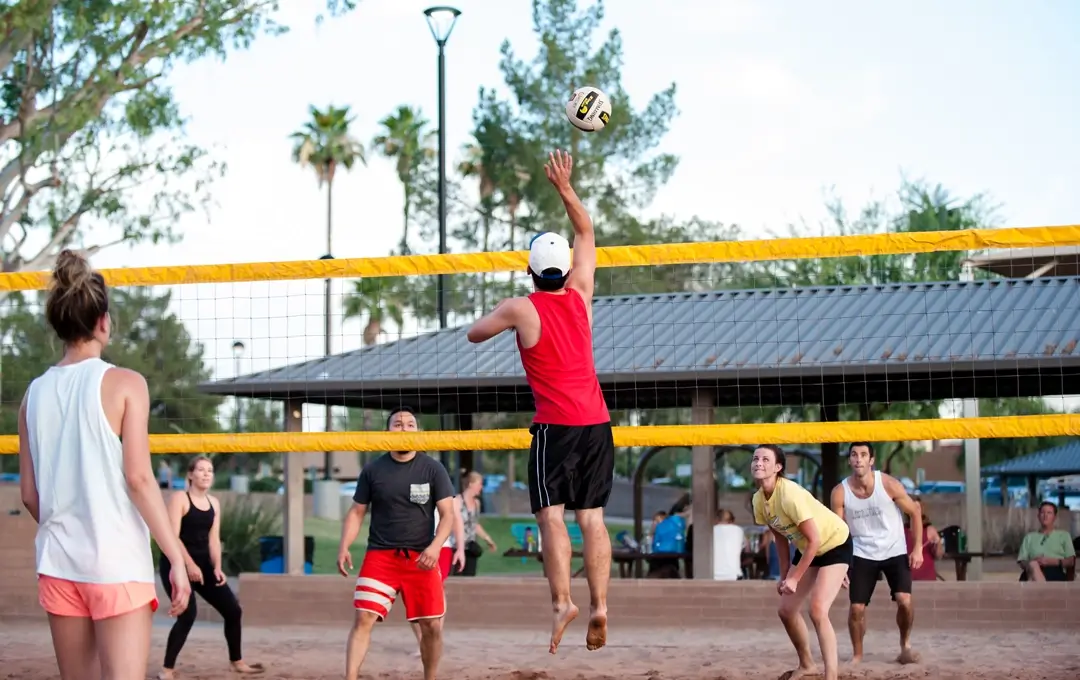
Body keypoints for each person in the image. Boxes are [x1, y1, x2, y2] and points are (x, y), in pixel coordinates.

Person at [17, 249, 191, 680]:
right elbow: (138, 478)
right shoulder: (128, 384)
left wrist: (69, 525)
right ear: (103, 322)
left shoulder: (31, 396)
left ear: (59, 323)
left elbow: (28, 495)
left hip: (58, 564)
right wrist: (175, 559)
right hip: (116, 564)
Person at [466, 149, 613, 655]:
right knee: (591, 518)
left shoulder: (519, 308)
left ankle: (562, 601)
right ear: (567, 269)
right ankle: (600, 604)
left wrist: (511, 308)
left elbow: (473, 335)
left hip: (555, 427)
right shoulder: (581, 293)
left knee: (551, 517)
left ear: (530, 271)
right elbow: (587, 232)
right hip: (597, 423)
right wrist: (565, 187)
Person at [336, 406, 458, 680]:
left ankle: (431, 677)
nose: (404, 428)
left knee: (432, 626)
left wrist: (436, 546)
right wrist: (344, 546)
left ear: (418, 431)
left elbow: (448, 515)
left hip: (421, 557)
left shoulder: (433, 469)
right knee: (363, 618)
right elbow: (357, 512)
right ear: (387, 431)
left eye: (410, 424)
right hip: (381, 556)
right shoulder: (373, 470)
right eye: (397, 424)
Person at [751, 444, 851, 680]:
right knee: (786, 610)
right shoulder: (758, 500)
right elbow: (779, 536)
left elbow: (815, 540)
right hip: (808, 548)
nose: (758, 463)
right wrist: (785, 575)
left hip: (834, 543)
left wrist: (796, 578)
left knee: (817, 610)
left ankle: (832, 676)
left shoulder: (789, 495)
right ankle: (807, 664)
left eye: (765, 459)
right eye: (755, 458)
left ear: (778, 467)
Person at [158, 457, 264, 678]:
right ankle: (167, 669)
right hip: (176, 563)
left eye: (210, 470)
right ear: (190, 475)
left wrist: (217, 567)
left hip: (203, 564)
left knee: (233, 611)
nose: (206, 474)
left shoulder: (214, 503)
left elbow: (213, 539)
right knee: (188, 615)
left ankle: (237, 661)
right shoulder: (180, 498)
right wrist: (189, 565)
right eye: (201, 470)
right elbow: (172, 537)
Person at [830, 442, 923, 666]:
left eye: (863, 455)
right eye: (854, 455)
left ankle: (905, 646)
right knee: (856, 608)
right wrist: (840, 564)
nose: (858, 459)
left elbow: (915, 511)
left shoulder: (888, 484)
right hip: (862, 551)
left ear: (871, 460)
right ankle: (857, 655)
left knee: (904, 600)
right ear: (850, 460)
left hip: (894, 549)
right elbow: (837, 530)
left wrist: (918, 548)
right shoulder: (840, 492)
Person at [450, 471, 498, 577]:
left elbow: (475, 524)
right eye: (480, 484)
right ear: (471, 484)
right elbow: (454, 524)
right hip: (456, 547)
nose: (481, 487)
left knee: (470, 578)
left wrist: (488, 539)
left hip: (471, 549)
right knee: (457, 578)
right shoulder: (457, 501)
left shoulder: (477, 503)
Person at [1017, 501, 1076, 581]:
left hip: (1055, 572)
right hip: (1031, 571)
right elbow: (1022, 561)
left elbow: (1070, 561)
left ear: (1054, 517)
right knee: (1033, 565)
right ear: (1038, 516)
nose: (1045, 516)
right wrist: (1033, 564)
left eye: (1049, 513)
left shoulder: (1064, 536)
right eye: (1042, 513)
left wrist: (1052, 561)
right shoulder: (1029, 537)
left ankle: (1041, 589)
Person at [905, 497, 943, 581]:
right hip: (907, 577)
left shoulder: (930, 530)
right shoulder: (902, 530)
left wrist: (937, 544)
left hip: (926, 577)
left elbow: (939, 555)